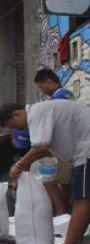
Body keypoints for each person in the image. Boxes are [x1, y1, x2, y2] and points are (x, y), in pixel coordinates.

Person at [0, 100, 90, 244]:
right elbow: (42, 150)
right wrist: (26, 164)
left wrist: (19, 164)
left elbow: (41, 147)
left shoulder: (36, 114)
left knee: (82, 200)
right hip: (83, 151)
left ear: (17, 114)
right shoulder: (43, 110)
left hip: (86, 151)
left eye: (15, 126)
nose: (18, 130)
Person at [34, 68, 76, 214]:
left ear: (49, 82)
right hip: (67, 144)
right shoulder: (65, 94)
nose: (41, 90)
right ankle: (64, 213)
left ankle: (62, 213)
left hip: (64, 145)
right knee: (63, 182)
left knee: (52, 181)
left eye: (41, 86)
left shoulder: (60, 96)